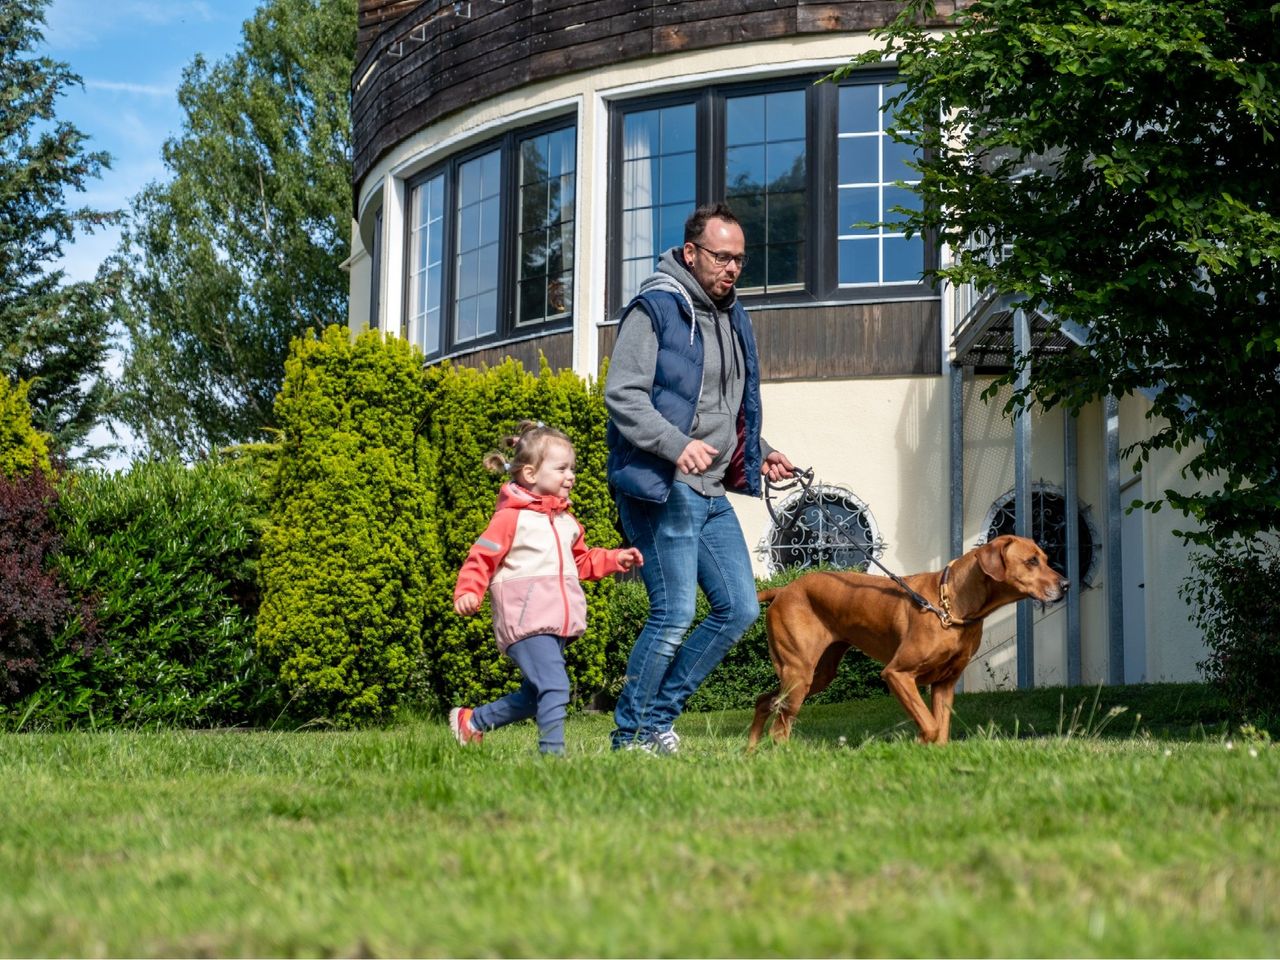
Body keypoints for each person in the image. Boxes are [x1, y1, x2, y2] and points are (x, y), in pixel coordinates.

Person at [605, 202, 794, 754]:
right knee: (674, 613)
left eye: (740, 259)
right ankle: (630, 736)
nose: (732, 268)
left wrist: (761, 451)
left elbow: (721, 406)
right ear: (691, 253)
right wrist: (676, 445)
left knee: (740, 607)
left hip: (709, 488)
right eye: (721, 257)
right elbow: (623, 396)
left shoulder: (733, 316)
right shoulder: (657, 308)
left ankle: (657, 719)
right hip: (664, 485)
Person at [450, 420, 643, 756]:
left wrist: (615, 559)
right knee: (555, 686)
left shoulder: (567, 521)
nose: (571, 475)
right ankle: (552, 758)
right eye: (562, 468)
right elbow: (481, 557)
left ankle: (473, 722)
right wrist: (469, 590)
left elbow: (582, 562)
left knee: (536, 694)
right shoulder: (511, 519)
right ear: (530, 474)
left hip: (555, 623)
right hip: (525, 621)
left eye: (572, 468)